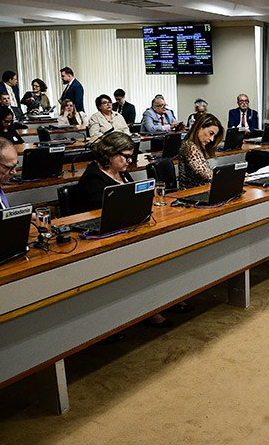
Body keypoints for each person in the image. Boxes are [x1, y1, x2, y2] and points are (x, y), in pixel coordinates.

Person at [73, 131, 178, 327]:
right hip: (98, 237)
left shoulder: (121, 172)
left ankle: (165, 299)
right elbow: (100, 213)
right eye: (125, 156)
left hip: (125, 228)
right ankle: (149, 310)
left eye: (131, 156)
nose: (129, 161)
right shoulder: (93, 179)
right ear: (109, 154)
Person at [178, 113, 223, 190]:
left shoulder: (199, 147)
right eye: (210, 133)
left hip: (203, 190)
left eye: (214, 136)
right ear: (199, 128)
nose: (212, 139)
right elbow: (206, 174)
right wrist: (231, 175)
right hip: (190, 194)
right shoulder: (189, 146)